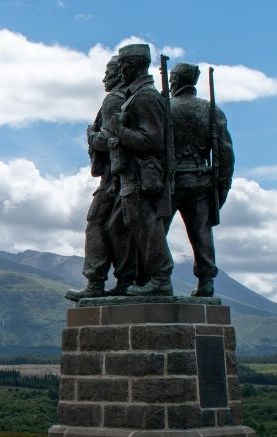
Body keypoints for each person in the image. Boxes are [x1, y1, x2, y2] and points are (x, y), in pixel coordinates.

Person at [65, 56, 136, 301]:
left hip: (116, 177)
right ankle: (125, 280)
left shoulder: (114, 99)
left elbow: (111, 140)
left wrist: (91, 135)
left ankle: (96, 282)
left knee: (96, 223)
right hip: (127, 175)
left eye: (108, 73)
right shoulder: (132, 98)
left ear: (120, 73)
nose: (104, 78)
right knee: (120, 229)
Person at [105, 44, 174, 296]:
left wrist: (119, 131)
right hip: (131, 174)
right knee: (124, 225)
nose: (121, 72)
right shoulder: (137, 95)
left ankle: (160, 277)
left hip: (143, 176)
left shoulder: (146, 96)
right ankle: (129, 280)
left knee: (147, 225)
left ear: (132, 65)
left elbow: (153, 140)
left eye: (123, 66)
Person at [166, 63, 235, 297]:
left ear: (176, 80)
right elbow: (224, 151)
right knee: (201, 233)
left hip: (172, 181)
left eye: (172, 78)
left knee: (156, 229)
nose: (170, 82)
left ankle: (158, 275)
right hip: (201, 179)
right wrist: (223, 184)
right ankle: (206, 280)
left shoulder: (166, 108)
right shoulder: (211, 110)